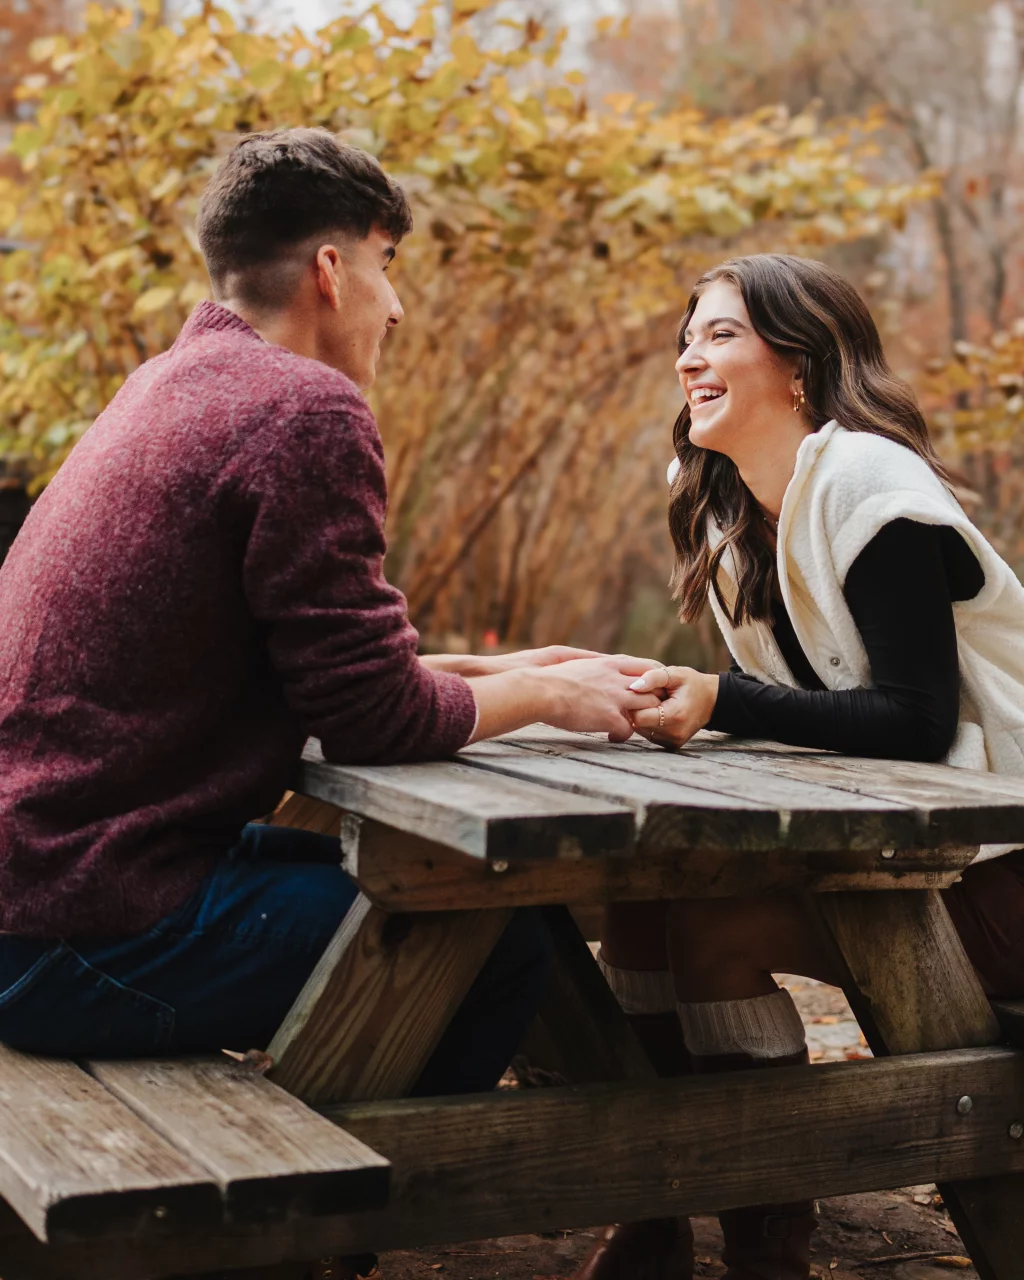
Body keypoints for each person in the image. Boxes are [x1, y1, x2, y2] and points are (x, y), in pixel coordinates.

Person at [0, 128, 662, 1280]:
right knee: (490, 938)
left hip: (48, 882)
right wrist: (548, 691)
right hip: (70, 931)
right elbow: (370, 718)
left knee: (443, 898)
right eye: (388, 262)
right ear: (329, 270)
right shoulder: (303, 411)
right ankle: (297, 1234)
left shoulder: (172, 384)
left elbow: (324, 662)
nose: (396, 307)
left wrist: (506, 672)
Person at [572, 253, 1024, 1280]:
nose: (690, 354)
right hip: (926, 860)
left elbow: (912, 719)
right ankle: (658, 1210)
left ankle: (762, 1240)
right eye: (686, 335)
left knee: (717, 928)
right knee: (644, 907)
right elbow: (814, 721)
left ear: (800, 363)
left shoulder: (870, 483)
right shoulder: (733, 519)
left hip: (1008, 871)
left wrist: (720, 699)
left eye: (721, 332)